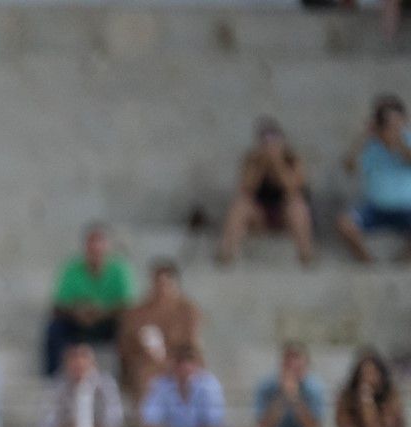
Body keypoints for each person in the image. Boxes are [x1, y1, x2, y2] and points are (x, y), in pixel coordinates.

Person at [216, 117, 315, 265]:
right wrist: (261, 165)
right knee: (240, 205)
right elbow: (247, 188)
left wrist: (277, 163)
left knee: (297, 206)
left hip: (284, 216)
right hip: (260, 217)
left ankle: (305, 255)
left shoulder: (293, 160)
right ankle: (227, 253)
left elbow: (292, 188)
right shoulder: (252, 160)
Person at [42, 223, 134, 377]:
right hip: (77, 322)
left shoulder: (121, 270)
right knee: (54, 329)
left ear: (108, 245)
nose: (96, 247)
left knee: (129, 327)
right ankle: (52, 378)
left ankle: (127, 376)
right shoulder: (71, 269)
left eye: (100, 242)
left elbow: (128, 305)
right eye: (92, 242)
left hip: (108, 323)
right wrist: (78, 312)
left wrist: (102, 312)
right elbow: (58, 304)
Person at [335, 94, 411, 263]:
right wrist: (364, 137)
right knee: (344, 224)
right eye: (385, 121)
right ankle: (369, 264)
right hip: (375, 208)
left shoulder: (408, 140)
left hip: (407, 208)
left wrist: (397, 140)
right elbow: (348, 167)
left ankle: (403, 264)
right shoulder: (370, 145)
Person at [116, 260, 201, 401]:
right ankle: (149, 421)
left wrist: (172, 360)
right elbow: (125, 345)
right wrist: (144, 348)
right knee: (146, 375)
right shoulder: (137, 313)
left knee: (189, 374)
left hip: (181, 361)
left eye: (166, 283)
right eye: (157, 283)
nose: (161, 288)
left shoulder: (188, 311)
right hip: (145, 363)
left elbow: (192, 344)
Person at [139, 343, 226, 427]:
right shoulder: (159, 386)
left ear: (198, 364)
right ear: (173, 364)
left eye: (189, 361)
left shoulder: (210, 385)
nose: (185, 367)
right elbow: (149, 425)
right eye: (181, 361)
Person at [250, 341, 329, 427]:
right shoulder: (266, 386)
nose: (292, 364)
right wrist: (282, 398)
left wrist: (295, 399)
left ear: (306, 363)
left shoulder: (315, 388)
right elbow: (263, 424)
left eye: (297, 358)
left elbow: (313, 424)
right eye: (288, 359)